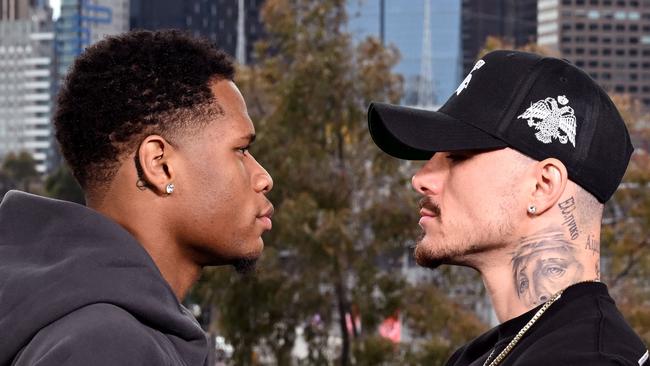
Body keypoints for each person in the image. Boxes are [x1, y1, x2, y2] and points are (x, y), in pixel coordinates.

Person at [0, 30, 273, 365]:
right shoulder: (108, 347)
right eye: (241, 150)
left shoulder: (98, 330)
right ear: (159, 165)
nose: (264, 178)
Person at [367, 50, 648, 365]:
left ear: (542, 186)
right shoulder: (478, 355)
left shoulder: (590, 360)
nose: (420, 179)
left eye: (457, 156)